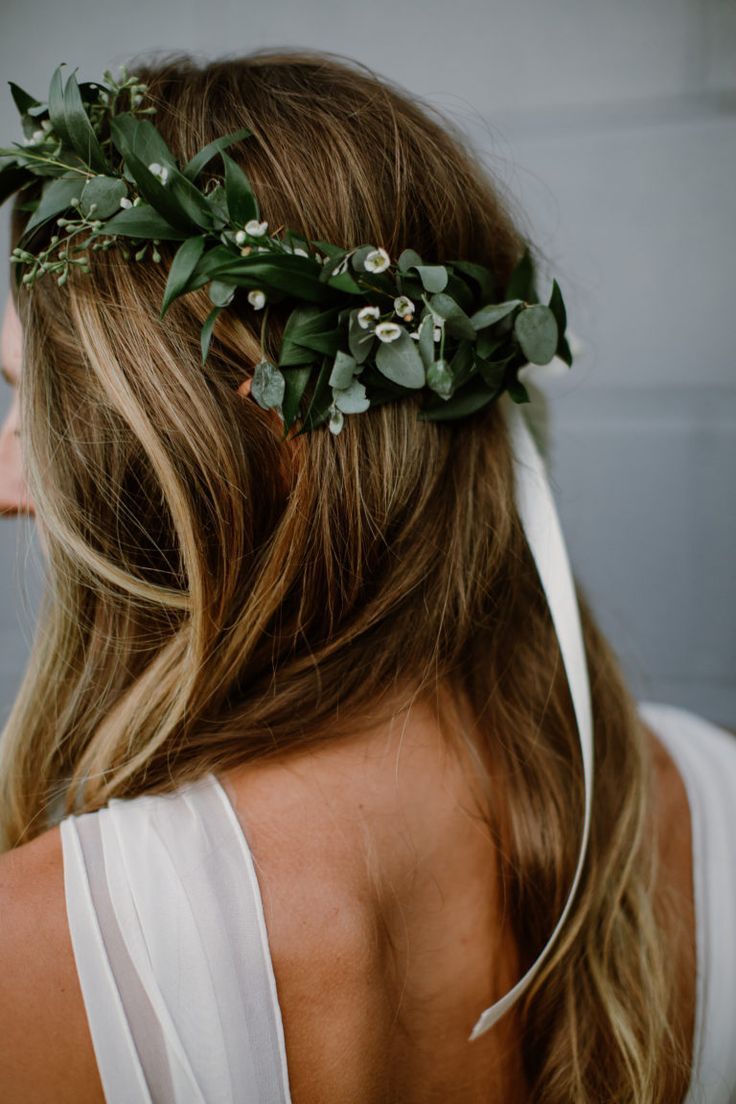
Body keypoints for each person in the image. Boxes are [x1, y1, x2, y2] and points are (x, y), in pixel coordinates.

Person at [0, 48, 733, 1104]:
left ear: (263, 429)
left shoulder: (43, 957)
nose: (12, 479)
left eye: (39, 407)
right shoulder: (713, 801)